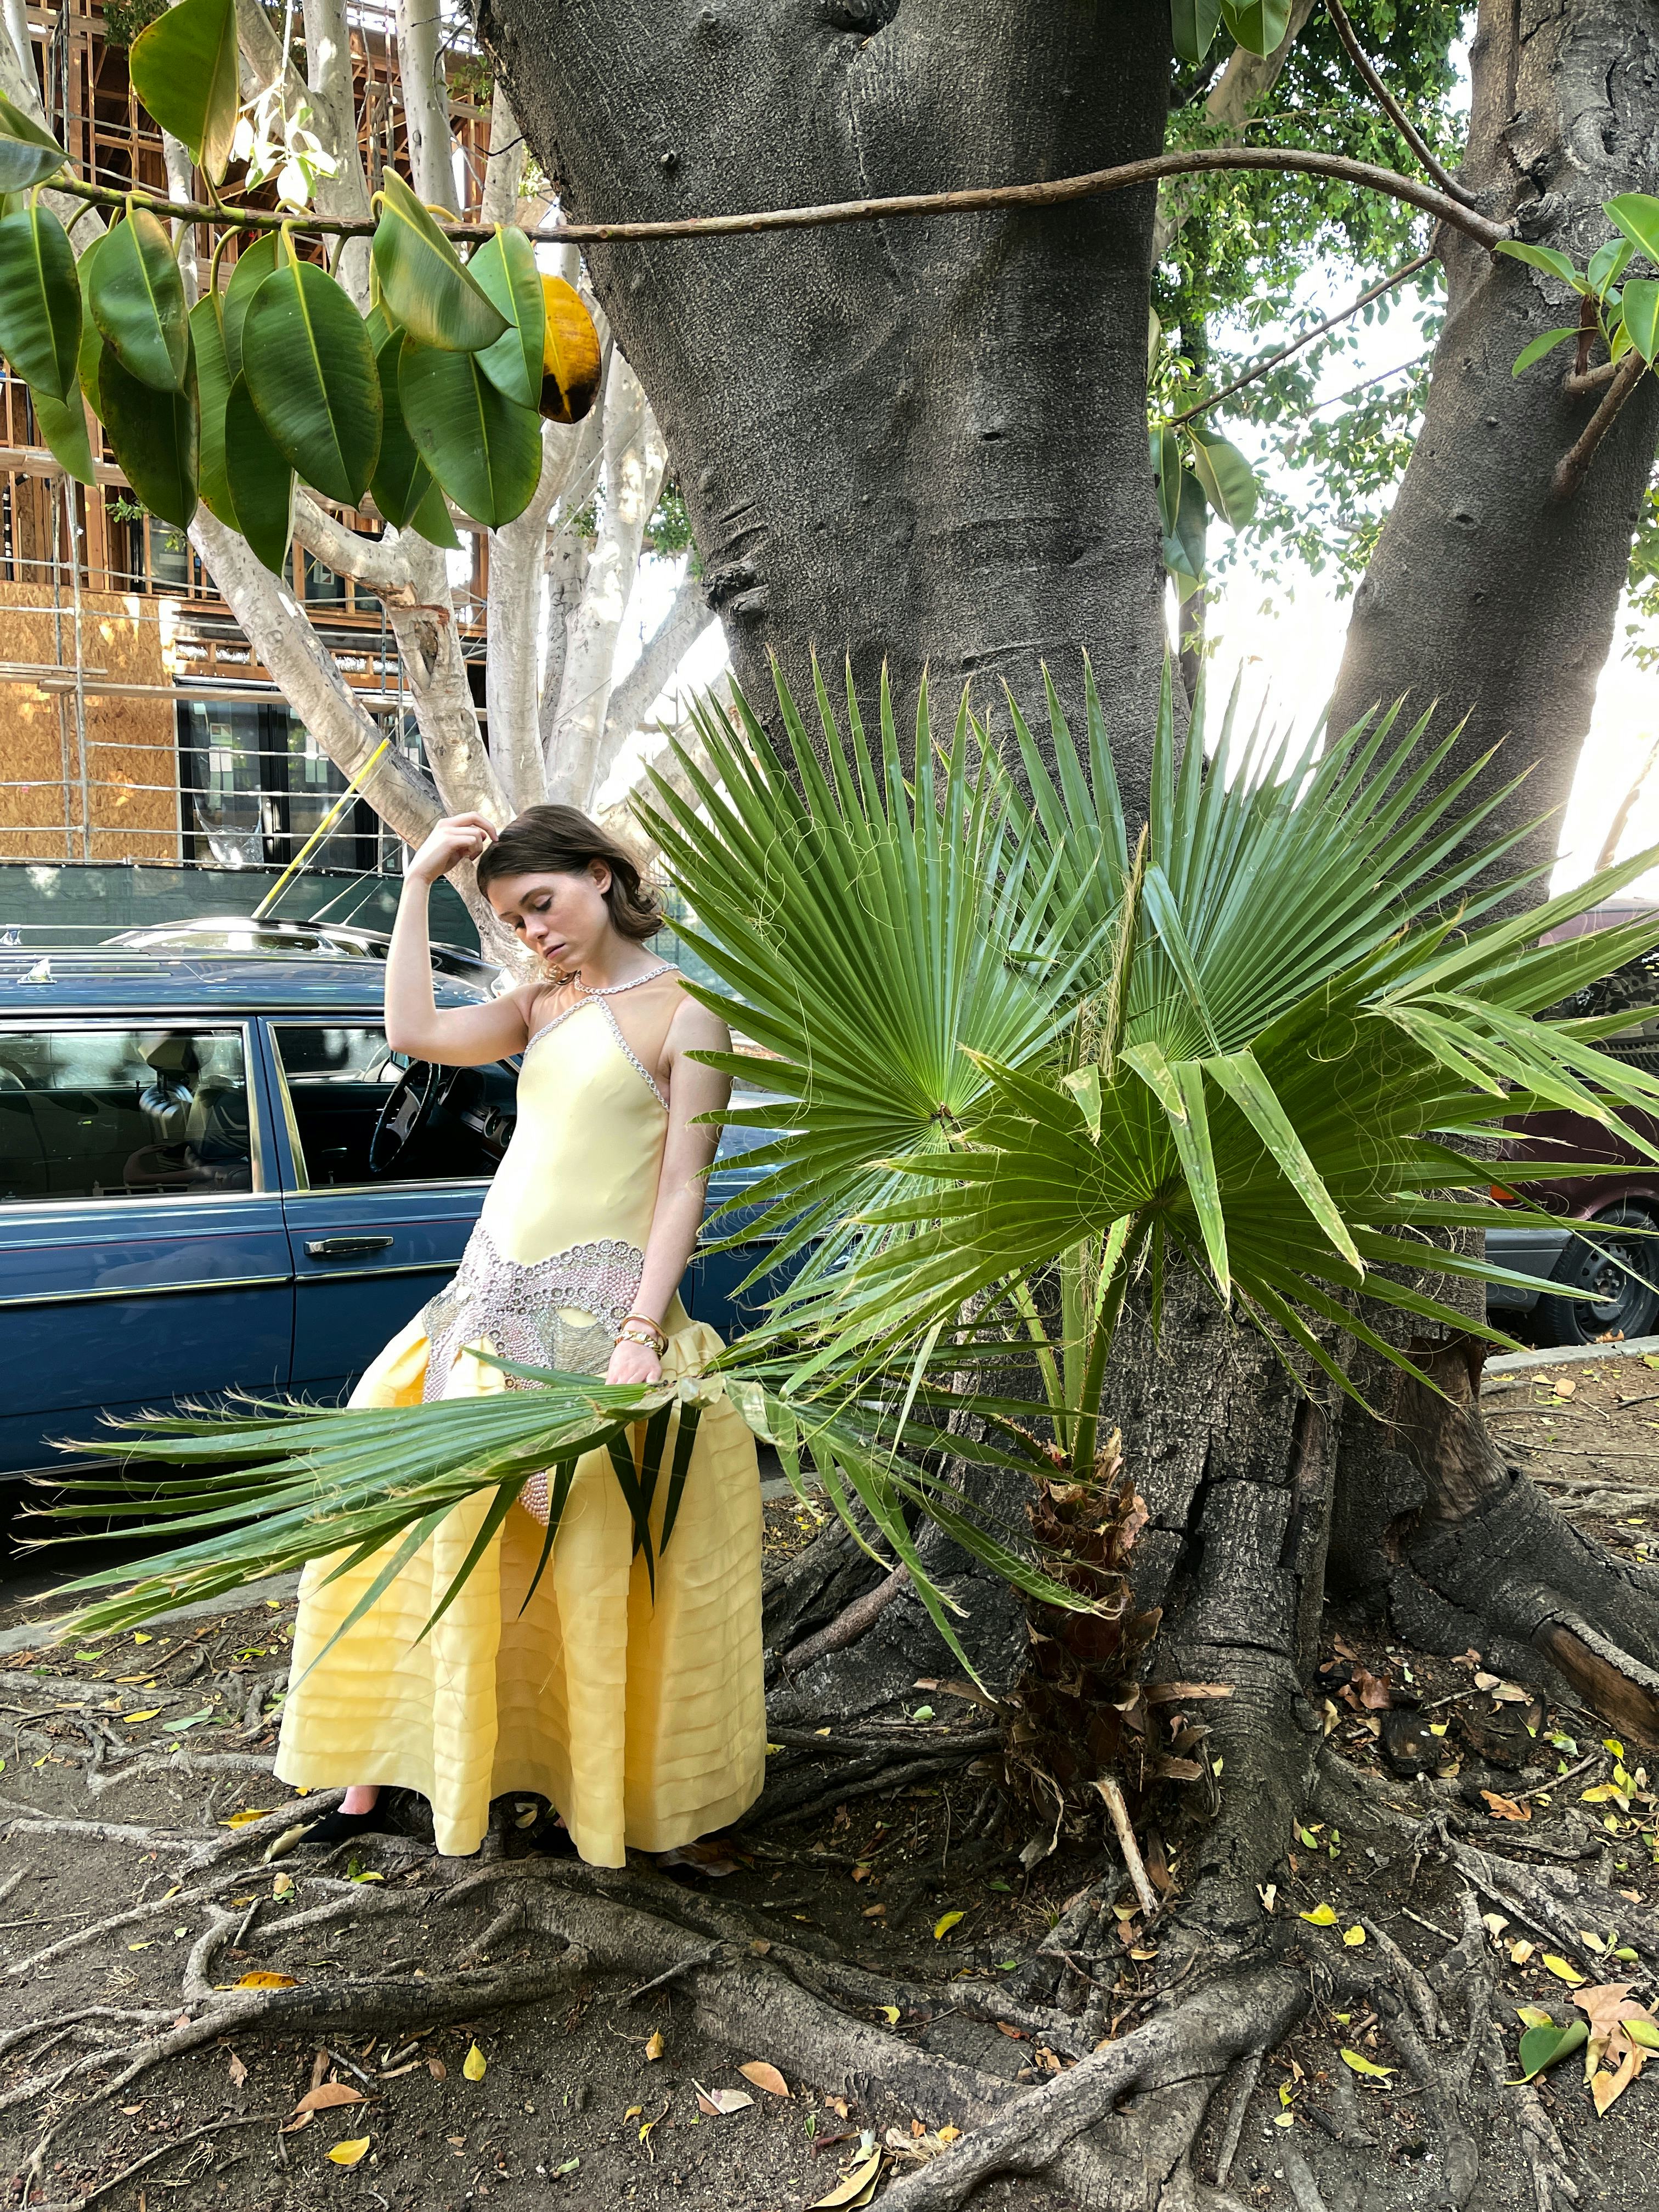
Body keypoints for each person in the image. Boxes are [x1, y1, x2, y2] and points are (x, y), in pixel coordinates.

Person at [272, 806, 766, 1863]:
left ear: (601, 875)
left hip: (598, 1329)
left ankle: (604, 1795)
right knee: (403, 1528)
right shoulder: (542, 1006)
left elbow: (684, 1187)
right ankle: (378, 1774)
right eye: (513, 920)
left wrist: (640, 1330)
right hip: (478, 1314)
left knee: (582, 1565)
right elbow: (413, 1033)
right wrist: (416, 885)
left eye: (542, 904)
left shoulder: (685, 1013)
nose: (534, 932)